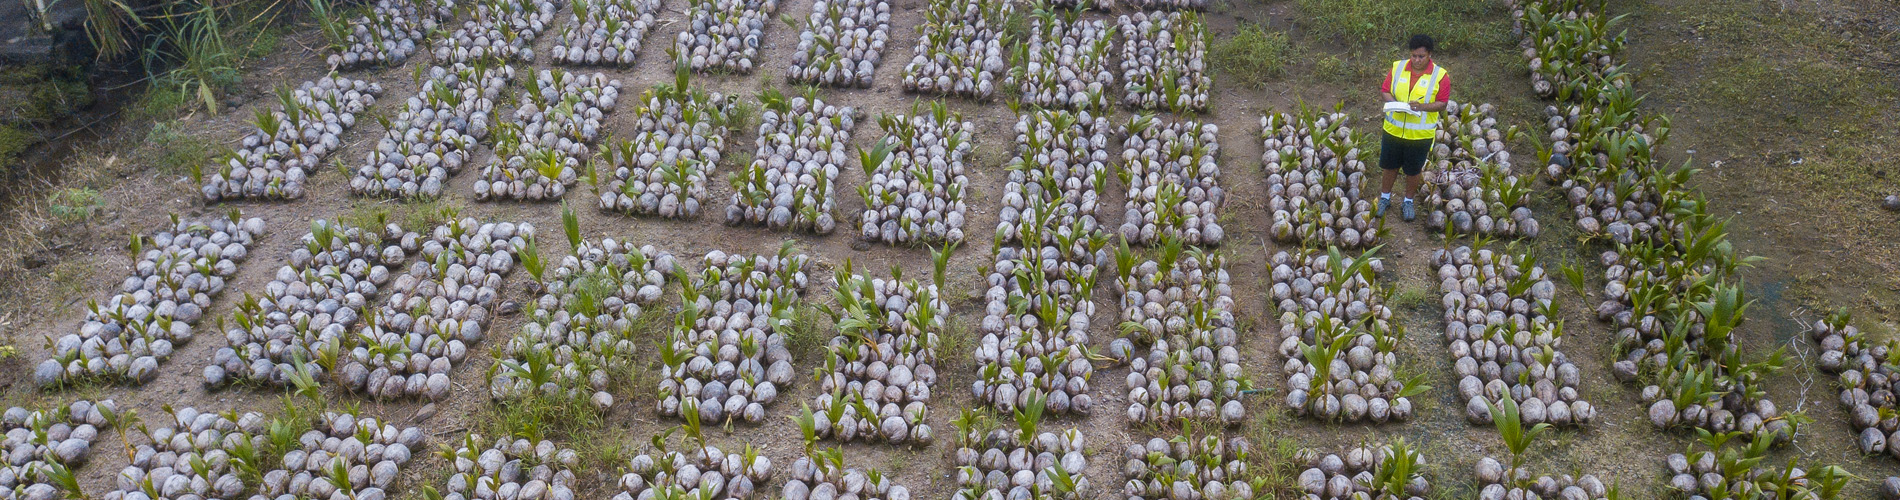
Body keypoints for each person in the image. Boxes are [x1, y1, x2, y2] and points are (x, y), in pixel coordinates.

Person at [1377, 34, 1450, 222]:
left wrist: (1422, 107)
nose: (1416, 60)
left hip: (1419, 135)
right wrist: (1395, 104)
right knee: (1389, 166)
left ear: (1429, 55)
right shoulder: (1398, 67)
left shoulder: (1440, 75)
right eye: (1414, 56)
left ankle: (1407, 201)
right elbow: (1385, 90)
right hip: (1393, 131)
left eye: (1421, 56)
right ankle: (1384, 198)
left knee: (1413, 170)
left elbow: (1442, 103)